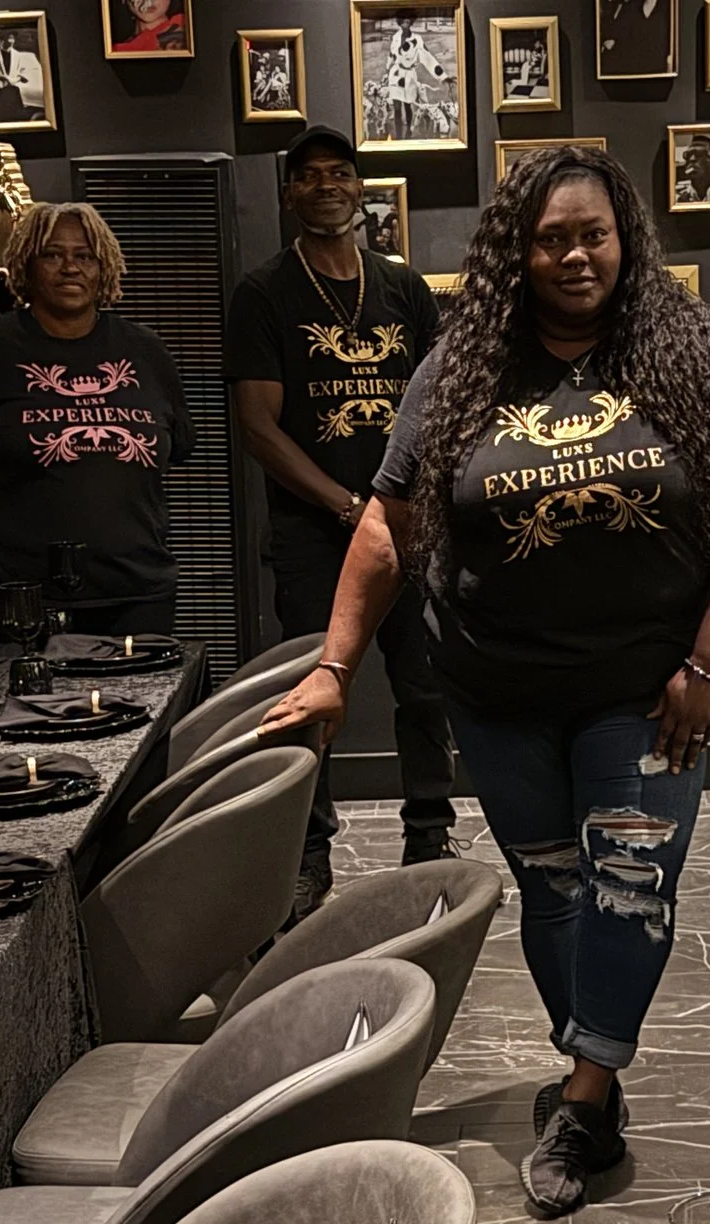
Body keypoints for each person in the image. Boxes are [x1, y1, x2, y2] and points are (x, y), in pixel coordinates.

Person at [261, 147, 710, 1215]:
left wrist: (709, 665)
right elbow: (386, 524)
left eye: (593, 233)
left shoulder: (690, 346)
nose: (575, 255)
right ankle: (587, 1066)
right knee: (553, 887)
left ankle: (585, 1098)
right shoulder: (460, 365)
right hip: (495, 691)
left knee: (628, 884)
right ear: (518, 250)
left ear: (623, 239)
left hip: (645, 689)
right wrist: (332, 669)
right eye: (551, 238)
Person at [227, 125, 457, 915]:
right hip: (312, 533)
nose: (328, 185)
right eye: (310, 176)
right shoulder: (265, 294)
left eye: (341, 173)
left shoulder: (404, 290)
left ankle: (429, 836)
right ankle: (309, 851)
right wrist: (344, 504)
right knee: (312, 693)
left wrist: (413, 505)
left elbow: (445, 408)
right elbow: (258, 426)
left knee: (424, 689)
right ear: (289, 195)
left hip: (407, 526)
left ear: (361, 191)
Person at [0, 200, 194, 641]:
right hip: (20, 595)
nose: (70, 268)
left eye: (84, 256)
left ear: (103, 268)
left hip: (136, 590)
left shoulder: (146, 350)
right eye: (53, 254)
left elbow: (178, 446)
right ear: (27, 264)